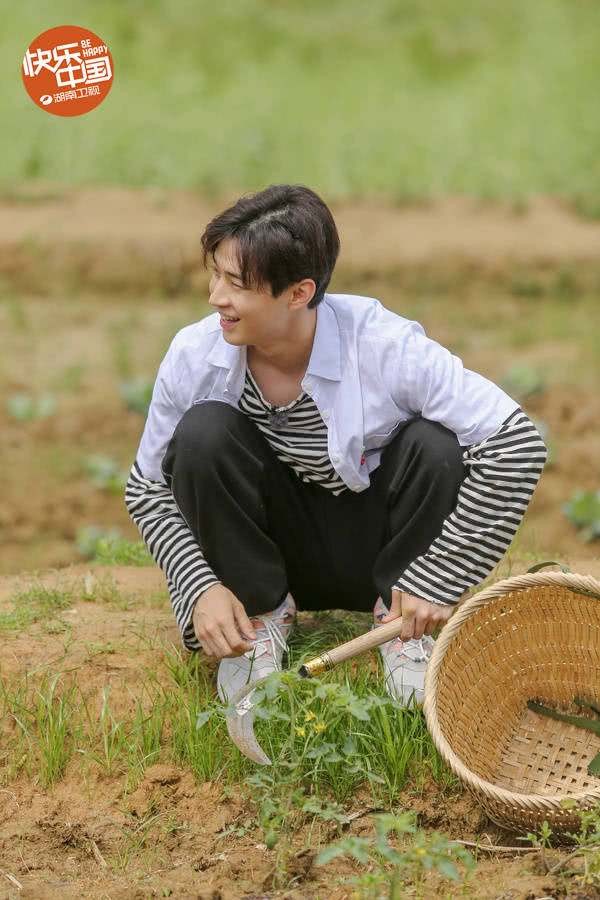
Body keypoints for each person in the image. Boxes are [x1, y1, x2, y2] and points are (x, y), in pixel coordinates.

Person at [124, 183, 547, 706]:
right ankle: (258, 619)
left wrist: (437, 578)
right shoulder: (194, 354)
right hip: (270, 550)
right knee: (202, 433)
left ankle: (402, 628)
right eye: (215, 274)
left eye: (236, 283)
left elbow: (517, 443)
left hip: (382, 553)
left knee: (436, 443)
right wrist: (199, 586)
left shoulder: (384, 345)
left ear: (299, 293)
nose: (216, 297)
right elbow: (147, 489)